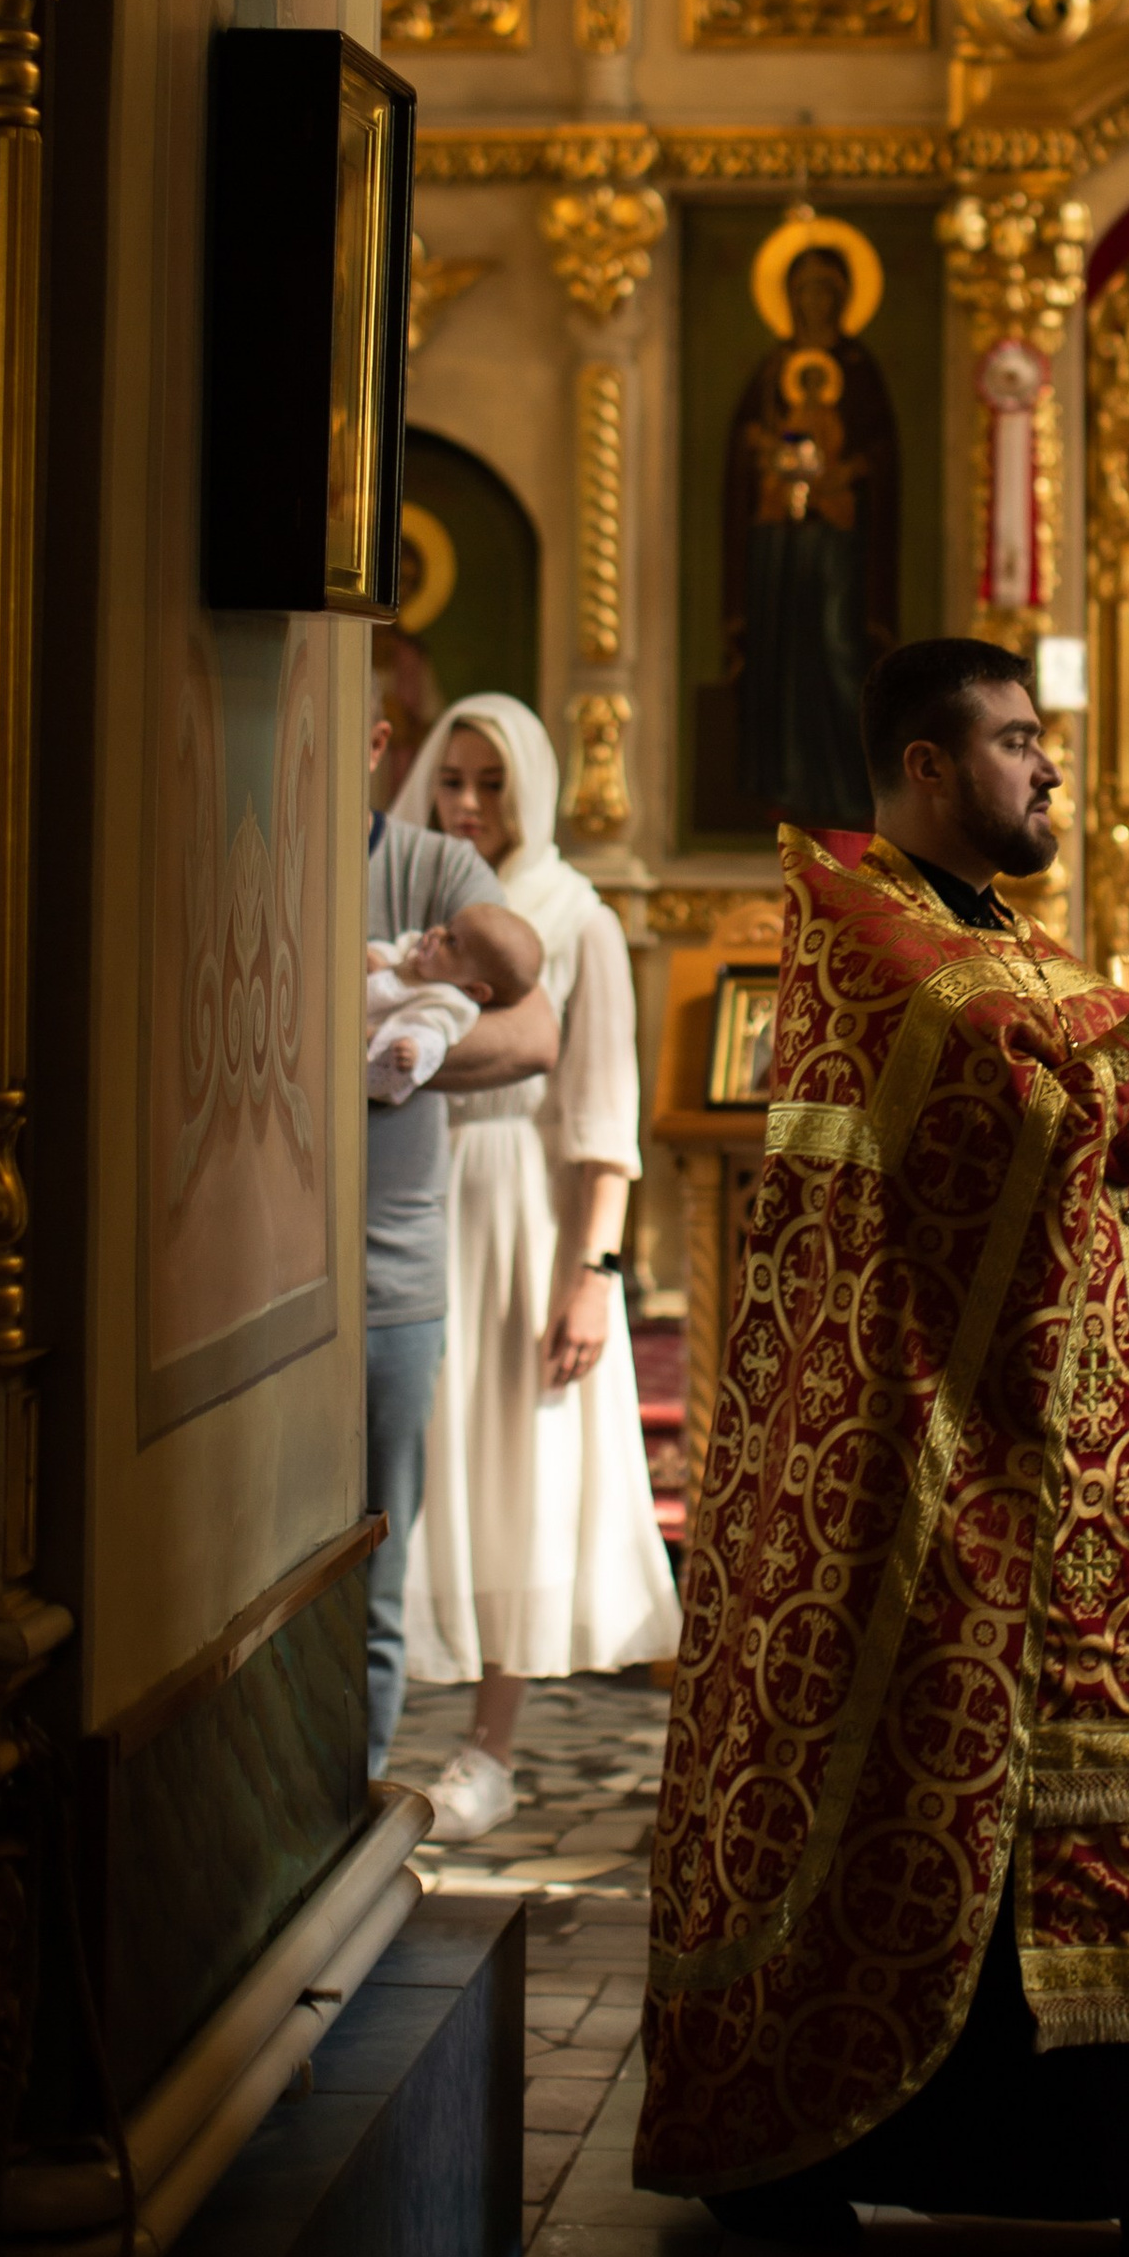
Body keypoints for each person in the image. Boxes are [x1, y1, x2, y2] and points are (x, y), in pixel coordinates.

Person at [636, 635, 1129, 2257]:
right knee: (936, 1807)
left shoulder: (1004, 940)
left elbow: (1093, 1143)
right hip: (924, 1471)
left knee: (1054, 1820)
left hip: (1058, 1470)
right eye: (1011, 740)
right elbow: (988, 1118)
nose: (1045, 767)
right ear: (921, 770)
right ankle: (798, 2148)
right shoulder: (867, 931)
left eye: (1040, 742)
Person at [392, 696, 681, 1843]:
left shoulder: (577, 918)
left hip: (521, 1216)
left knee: (517, 1464)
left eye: (489, 785)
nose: (466, 805)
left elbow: (602, 1117)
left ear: (532, 792)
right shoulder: (417, 899)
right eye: (451, 781)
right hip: (410, 1194)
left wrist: (591, 1273)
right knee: (415, 1460)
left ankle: (489, 1746)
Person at [364, 703, 558, 1784]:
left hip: (393, 1270)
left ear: (375, 736)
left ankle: (348, 1808)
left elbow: (532, 1026)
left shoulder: (439, 870)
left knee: (375, 1571)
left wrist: (369, 1054)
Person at [722, 235, 899, 831]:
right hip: (779, 542)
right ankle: (783, 785)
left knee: (835, 649)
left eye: (827, 289)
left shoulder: (858, 370)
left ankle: (847, 789)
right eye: (805, 290)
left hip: (836, 541)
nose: (815, 301)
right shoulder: (772, 370)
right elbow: (743, 453)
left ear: (844, 297)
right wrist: (762, 455)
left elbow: (881, 452)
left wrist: (848, 471)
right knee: (780, 655)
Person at [367, 905, 539, 1107]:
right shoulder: (414, 952)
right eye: (446, 925)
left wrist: (415, 1049)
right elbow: (393, 951)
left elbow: (433, 1033)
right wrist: (377, 958)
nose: (437, 932)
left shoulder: (451, 1004)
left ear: (475, 990)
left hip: (371, 1039)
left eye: (451, 941)